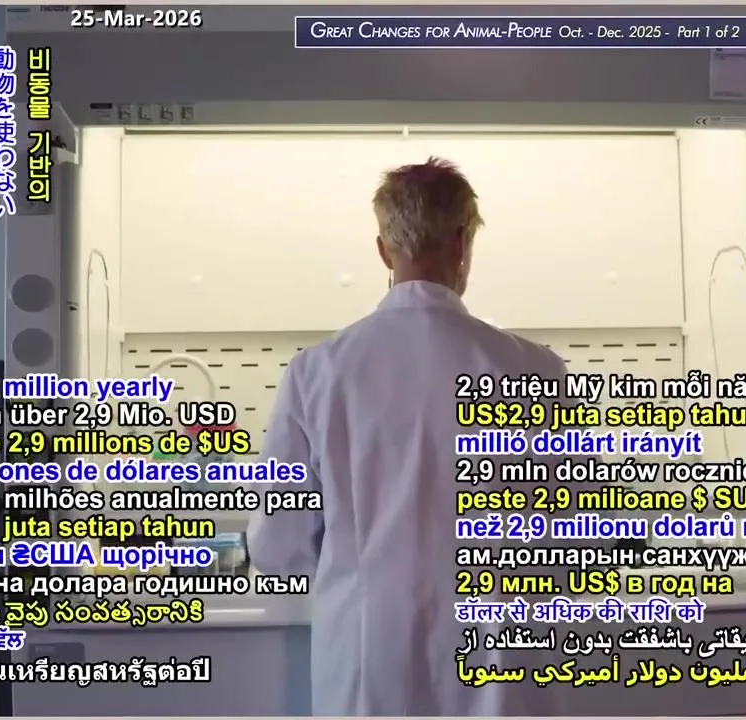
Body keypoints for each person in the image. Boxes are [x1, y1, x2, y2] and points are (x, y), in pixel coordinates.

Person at [247, 157, 584, 715]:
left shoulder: (317, 373)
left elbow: (277, 548)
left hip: (366, 664)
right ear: (462, 243)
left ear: (383, 250)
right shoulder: (537, 371)